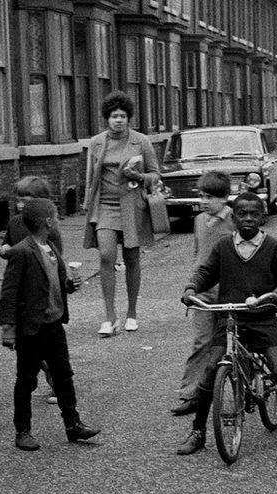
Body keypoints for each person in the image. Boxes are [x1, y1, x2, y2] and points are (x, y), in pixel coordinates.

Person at [177, 192, 277, 454]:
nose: (248, 219)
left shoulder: (274, 247)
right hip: (230, 318)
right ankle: (198, 431)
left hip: (263, 318)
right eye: (242, 214)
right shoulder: (223, 247)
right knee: (211, 369)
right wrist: (192, 288)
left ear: (262, 217)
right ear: (233, 218)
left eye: (254, 214)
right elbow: (206, 273)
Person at [0, 199, 101, 451]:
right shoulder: (22, 251)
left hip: (54, 325)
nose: (57, 220)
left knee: (63, 376)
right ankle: (22, 431)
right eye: (55, 216)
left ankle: (73, 425)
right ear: (47, 222)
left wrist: (68, 286)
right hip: (30, 330)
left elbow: (54, 281)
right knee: (26, 381)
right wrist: (8, 329)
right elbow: (8, 293)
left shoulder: (50, 247)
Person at [81, 90, 161, 337]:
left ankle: (132, 314)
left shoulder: (141, 141)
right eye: (114, 116)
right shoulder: (96, 142)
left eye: (123, 116)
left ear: (129, 118)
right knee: (106, 255)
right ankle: (109, 316)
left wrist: (139, 176)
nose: (118, 120)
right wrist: (87, 204)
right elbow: (89, 178)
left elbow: (156, 175)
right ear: (107, 118)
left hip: (131, 206)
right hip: (104, 206)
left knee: (132, 259)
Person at [171, 172, 234, 417]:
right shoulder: (199, 221)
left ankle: (244, 387)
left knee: (239, 341)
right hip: (204, 294)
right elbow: (198, 256)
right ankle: (191, 394)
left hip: (230, 293)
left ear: (225, 198)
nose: (204, 201)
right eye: (201, 196)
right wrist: (192, 284)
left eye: (210, 197)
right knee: (201, 342)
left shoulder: (234, 221)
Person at [0, 176, 64, 406]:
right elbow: (7, 245)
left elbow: (53, 256)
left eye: (25, 200)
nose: (19, 204)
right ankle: (36, 373)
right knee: (25, 340)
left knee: (41, 339)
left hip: (40, 289)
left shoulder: (50, 227)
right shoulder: (15, 223)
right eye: (18, 200)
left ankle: (53, 378)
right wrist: (4, 250)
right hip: (20, 287)